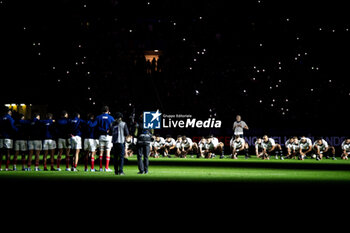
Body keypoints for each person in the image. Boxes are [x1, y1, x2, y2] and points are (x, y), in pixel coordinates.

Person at [95, 106, 115, 172]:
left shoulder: (98, 117)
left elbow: (96, 127)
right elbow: (114, 127)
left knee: (101, 152)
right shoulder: (111, 118)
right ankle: (106, 168)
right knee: (108, 152)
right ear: (108, 110)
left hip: (101, 136)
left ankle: (100, 168)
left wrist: (103, 130)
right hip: (108, 137)